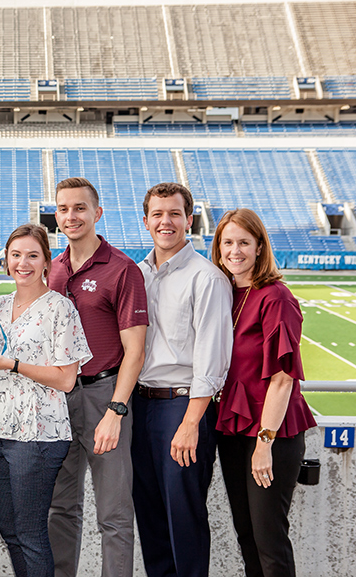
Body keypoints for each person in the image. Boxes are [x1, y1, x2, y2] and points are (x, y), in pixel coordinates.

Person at [0, 223, 92, 577]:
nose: (22, 263)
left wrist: (13, 363)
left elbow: (66, 379)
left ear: (47, 262)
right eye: (15, 255)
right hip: (1, 428)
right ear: (6, 261)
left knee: (29, 532)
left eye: (32, 255)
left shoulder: (61, 309)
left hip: (39, 432)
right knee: (9, 530)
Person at [47, 177, 148, 577]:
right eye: (63, 209)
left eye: (80, 208)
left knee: (114, 514)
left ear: (97, 213)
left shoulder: (122, 269)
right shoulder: (52, 269)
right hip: (59, 397)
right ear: (56, 215)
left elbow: (135, 352)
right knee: (61, 508)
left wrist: (115, 410)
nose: (71, 216)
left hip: (104, 394)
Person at [133, 182, 233, 577]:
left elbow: (211, 360)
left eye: (174, 213)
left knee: (184, 519)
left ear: (188, 220)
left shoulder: (206, 279)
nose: (166, 222)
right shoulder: (138, 274)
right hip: (140, 406)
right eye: (157, 214)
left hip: (182, 406)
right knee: (151, 518)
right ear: (145, 221)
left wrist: (191, 423)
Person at [211, 208, 316, 577]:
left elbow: (283, 379)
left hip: (271, 433)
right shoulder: (224, 292)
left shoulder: (276, 298)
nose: (234, 250)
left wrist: (264, 442)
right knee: (247, 535)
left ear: (259, 247)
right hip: (233, 428)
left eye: (244, 242)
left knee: (270, 539)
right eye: (228, 242)